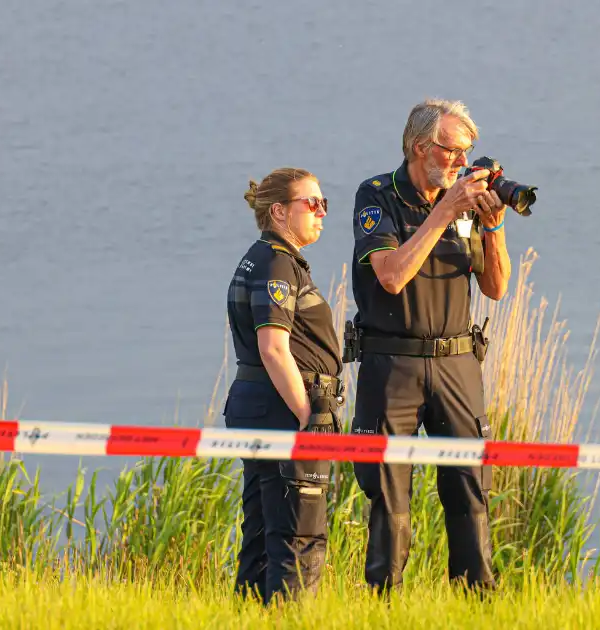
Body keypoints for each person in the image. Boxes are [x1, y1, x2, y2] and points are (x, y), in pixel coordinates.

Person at [347, 98, 512, 593]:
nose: (463, 164)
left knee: (469, 491)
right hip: (392, 363)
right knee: (389, 494)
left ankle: (477, 602)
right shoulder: (377, 196)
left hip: (458, 361)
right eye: (454, 152)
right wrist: (445, 211)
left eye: (468, 154)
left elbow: (496, 288)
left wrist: (493, 224)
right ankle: (385, 604)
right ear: (421, 147)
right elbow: (392, 276)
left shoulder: (461, 203)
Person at [224, 167, 343, 605]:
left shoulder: (263, 257)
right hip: (283, 411)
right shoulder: (277, 264)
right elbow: (274, 348)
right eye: (311, 203)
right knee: (299, 536)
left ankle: (250, 613)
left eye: (323, 203)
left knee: (261, 534)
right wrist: (309, 414)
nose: (321, 212)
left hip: (257, 407)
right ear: (278, 211)